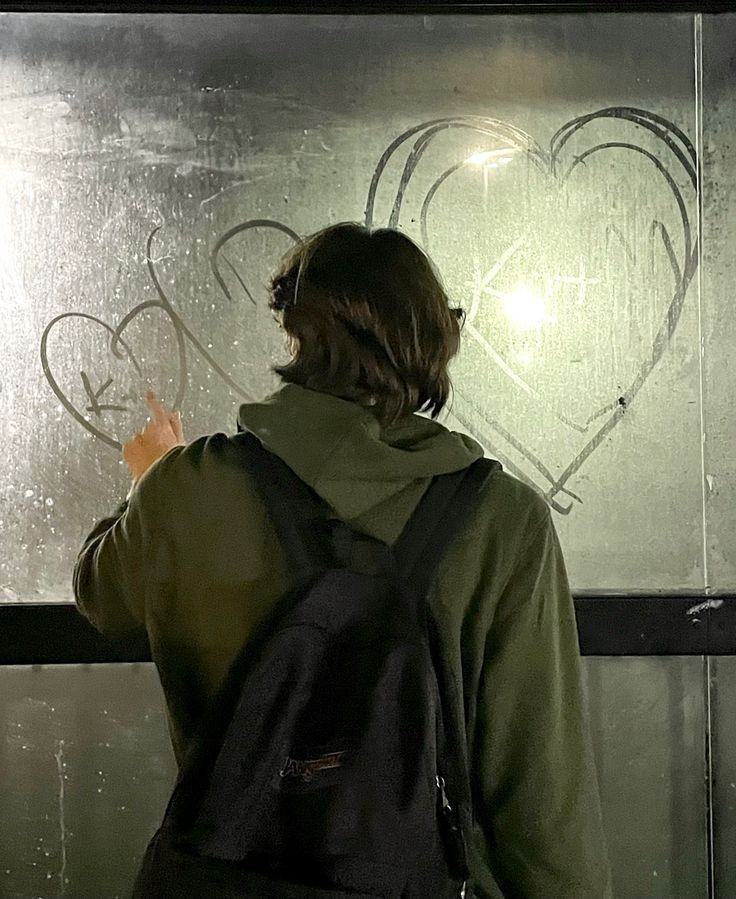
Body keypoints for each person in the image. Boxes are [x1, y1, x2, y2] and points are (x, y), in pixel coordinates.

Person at [74, 222, 613, 898]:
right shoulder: (504, 520)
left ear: (297, 337)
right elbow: (540, 796)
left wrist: (150, 479)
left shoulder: (189, 487)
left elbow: (100, 597)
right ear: (433, 347)